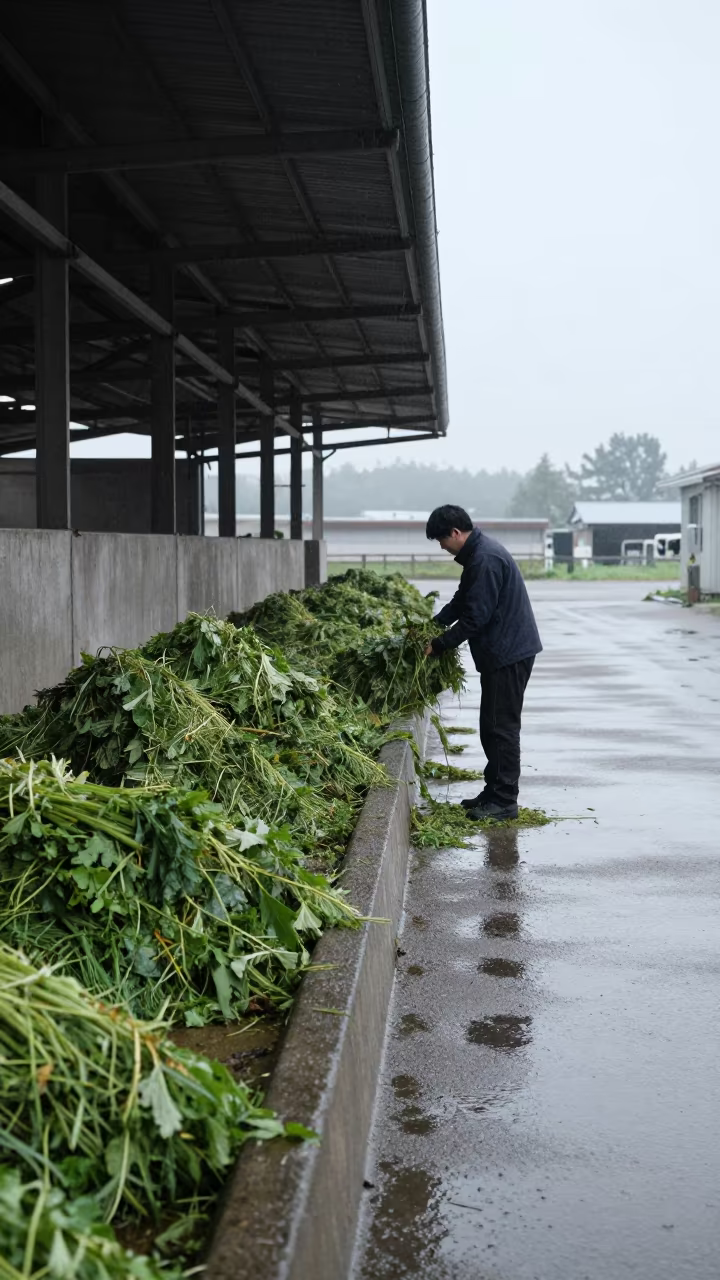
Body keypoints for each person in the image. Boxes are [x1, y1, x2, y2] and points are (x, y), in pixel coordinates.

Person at [424, 504, 542, 821]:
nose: (442, 547)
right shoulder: (478, 556)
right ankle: (493, 792)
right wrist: (432, 625)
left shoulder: (485, 560)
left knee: (501, 728)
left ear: (455, 533)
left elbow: (476, 618)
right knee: (490, 726)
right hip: (502, 651)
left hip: (508, 653)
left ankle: (504, 801)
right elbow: (462, 601)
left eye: (441, 540)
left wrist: (439, 644)